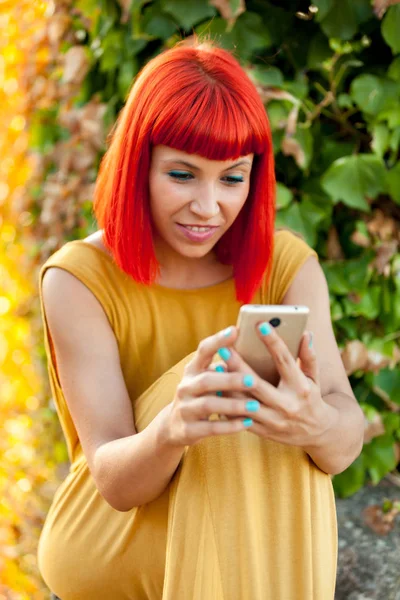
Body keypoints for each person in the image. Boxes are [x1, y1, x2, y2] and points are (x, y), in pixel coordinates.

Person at [37, 38, 364, 600]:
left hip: (244, 552)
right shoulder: (78, 279)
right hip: (120, 538)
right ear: (139, 166)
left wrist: (314, 422)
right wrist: (172, 429)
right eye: (183, 175)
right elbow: (114, 483)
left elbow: (343, 439)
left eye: (232, 178)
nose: (208, 207)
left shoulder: (287, 267)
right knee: (223, 388)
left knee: (268, 413)